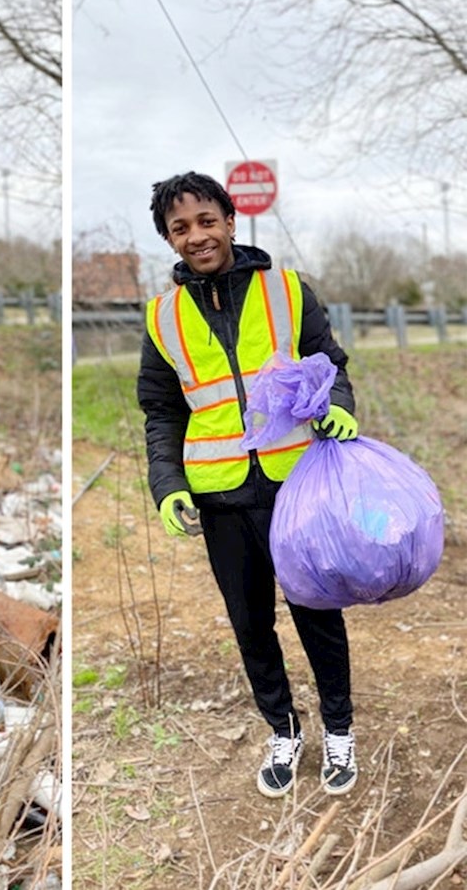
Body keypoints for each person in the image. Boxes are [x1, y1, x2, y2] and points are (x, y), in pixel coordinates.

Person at [137, 171, 360, 798]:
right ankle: (283, 730)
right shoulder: (161, 318)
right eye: (180, 228)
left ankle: (339, 730)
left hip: (296, 484)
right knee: (250, 621)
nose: (197, 236)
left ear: (230, 222)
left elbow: (329, 363)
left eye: (207, 221)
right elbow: (162, 410)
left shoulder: (288, 291)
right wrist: (167, 483)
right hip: (220, 492)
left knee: (317, 610)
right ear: (168, 238)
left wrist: (339, 402)